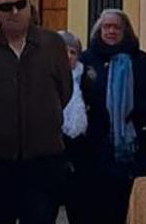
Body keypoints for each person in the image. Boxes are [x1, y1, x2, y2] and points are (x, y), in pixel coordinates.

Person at [0, 0, 73, 224]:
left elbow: (64, 90)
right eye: (6, 7)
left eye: (20, 5)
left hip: (43, 158)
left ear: (29, 6)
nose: (14, 12)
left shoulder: (52, 44)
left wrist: (43, 115)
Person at [79, 10, 146, 224]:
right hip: (92, 147)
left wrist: (135, 116)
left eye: (116, 27)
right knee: (91, 207)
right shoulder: (87, 60)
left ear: (125, 31)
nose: (111, 31)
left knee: (117, 207)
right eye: (106, 27)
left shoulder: (140, 61)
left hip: (125, 149)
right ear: (99, 30)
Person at [57, 30, 90, 224]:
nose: (68, 57)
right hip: (51, 147)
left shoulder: (88, 77)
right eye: (64, 52)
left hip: (80, 150)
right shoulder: (44, 78)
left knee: (78, 205)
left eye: (73, 52)